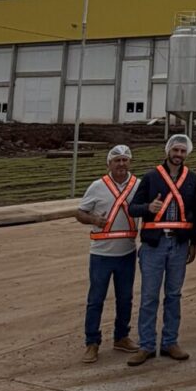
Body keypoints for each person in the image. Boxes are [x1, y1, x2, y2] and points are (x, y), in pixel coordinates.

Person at [127, 134, 196, 366]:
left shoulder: (191, 178)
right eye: (175, 150)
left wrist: (193, 243)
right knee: (149, 296)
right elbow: (132, 208)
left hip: (179, 244)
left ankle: (170, 341)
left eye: (182, 151)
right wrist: (148, 207)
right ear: (168, 151)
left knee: (174, 295)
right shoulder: (151, 177)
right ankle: (146, 345)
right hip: (154, 245)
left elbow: (195, 214)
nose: (178, 155)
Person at [75, 144, 140, 363]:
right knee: (96, 299)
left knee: (125, 298)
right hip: (101, 254)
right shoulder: (97, 186)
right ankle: (92, 342)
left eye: (125, 160)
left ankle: (121, 336)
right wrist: (94, 219)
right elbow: (80, 213)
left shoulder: (138, 185)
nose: (121, 164)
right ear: (109, 164)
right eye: (117, 160)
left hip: (127, 252)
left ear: (129, 162)